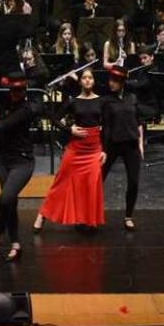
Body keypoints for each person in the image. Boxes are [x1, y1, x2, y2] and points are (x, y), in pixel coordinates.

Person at [34, 69, 105, 231]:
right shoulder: (73, 101)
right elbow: (53, 118)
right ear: (80, 82)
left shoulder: (101, 101)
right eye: (84, 78)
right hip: (76, 148)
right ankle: (42, 215)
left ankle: (86, 219)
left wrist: (104, 150)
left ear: (94, 81)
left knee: (90, 185)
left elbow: (107, 127)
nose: (87, 80)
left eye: (90, 78)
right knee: (60, 182)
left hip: (94, 148)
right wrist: (69, 129)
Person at [0, 73, 39, 262]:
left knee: (5, 198)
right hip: (5, 160)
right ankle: (15, 243)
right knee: (9, 202)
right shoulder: (6, 103)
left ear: (24, 91)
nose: (17, 94)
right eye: (14, 91)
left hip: (22, 162)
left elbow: (1, 127)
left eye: (20, 91)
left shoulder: (26, 109)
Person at [101, 66, 144, 231]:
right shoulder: (106, 100)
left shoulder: (132, 97)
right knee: (99, 180)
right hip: (112, 144)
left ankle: (128, 216)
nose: (112, 84)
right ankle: (90, 213)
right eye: (110, 80)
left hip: (131, 144)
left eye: (115, 81)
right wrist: (103, 150)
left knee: (133, 182)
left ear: (122, 82)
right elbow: (105, 127)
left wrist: (140, 143)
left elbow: (139, 121)